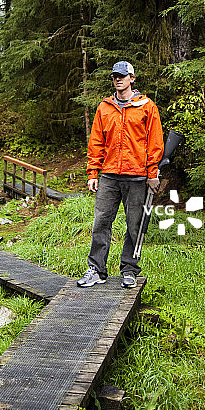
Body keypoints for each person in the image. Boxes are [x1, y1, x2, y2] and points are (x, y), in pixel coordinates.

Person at [77, 60, 164, 289]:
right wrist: (93, 172)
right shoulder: (105, 107)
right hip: (109, 176)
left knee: (136, 225)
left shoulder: (147, 106)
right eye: (115, 76)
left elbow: (155, 143)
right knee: (101, 223)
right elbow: (96, 142)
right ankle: (96, 269)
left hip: (137, 177)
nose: (118, 79)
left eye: (123, 76)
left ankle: (129, 270)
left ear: (132, 79)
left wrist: (152, 173)